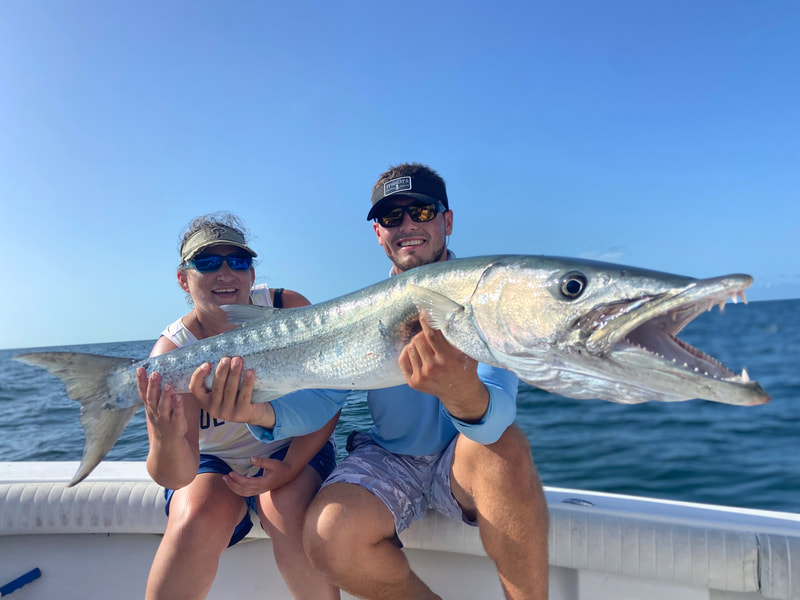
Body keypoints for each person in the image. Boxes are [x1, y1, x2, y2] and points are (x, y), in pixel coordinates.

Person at [192, 165, 550, 599]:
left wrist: (463, 393)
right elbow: (323, 395)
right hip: (392, 456)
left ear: (447, 221)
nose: (406, 226)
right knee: (326, 536)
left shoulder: (481, 292)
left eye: (421, 212)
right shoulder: (361, 309)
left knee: (505, 447)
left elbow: (496, 419)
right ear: (378, 233)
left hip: (464, 458)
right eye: (391, 218)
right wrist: (257, 411)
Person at [136, 213, 340, 600]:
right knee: (194, 520)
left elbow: (326, 402)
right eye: (208, 263)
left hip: (292, 448)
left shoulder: (287, 308)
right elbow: (175, 475)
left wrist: (290, 468)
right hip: (215, 465)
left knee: (287, 508)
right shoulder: (172, 354)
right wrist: (165, 437)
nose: (225, 273)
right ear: (184, 278)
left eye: (238, 261)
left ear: (251, 273)